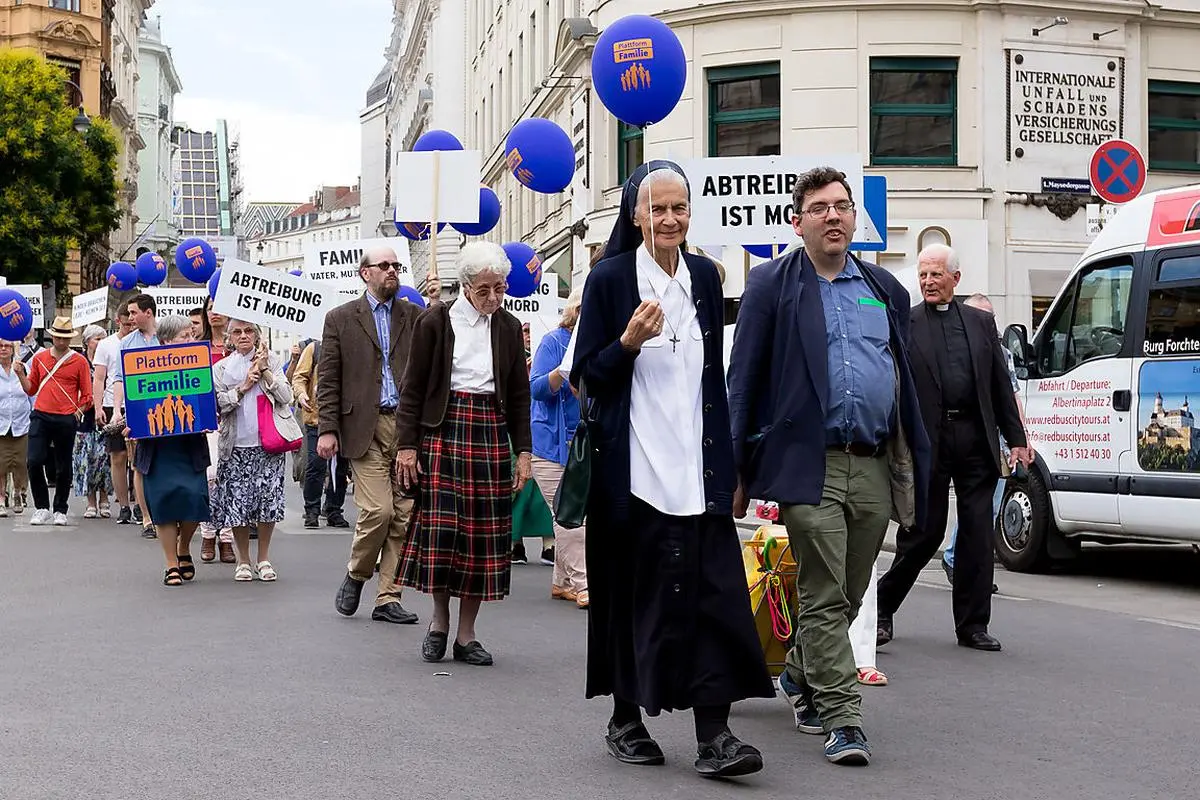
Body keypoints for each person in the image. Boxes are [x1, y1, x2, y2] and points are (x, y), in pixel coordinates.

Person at [572, 161, 773, 779]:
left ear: (691, 215)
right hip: (632, 475)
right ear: (635, 215)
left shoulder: (708, 280)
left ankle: (715, 734)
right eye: (656, 208)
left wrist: (731, 463)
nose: (668, 219)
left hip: (698, 471)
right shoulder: (609, 281)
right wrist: (626, 342)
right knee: (639, 602)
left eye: (679, 208)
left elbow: (715, 379)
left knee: (714, 600)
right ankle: (626, 719)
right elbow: (588, 378)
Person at [726, 166, 930, 767]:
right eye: (820, 207)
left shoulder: (885, 289)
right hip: (805, 461)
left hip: (871, 461)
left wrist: (916, 458)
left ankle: (796, 672)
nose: (835, 216)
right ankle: (843, 718)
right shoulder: (771, 285)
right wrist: (736, 469)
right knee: (822, 587)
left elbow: (902, 380)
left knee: (850, 588)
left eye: (842, 206)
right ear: (799, 221)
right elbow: (744, 382)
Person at [877, 246, 1033, 652]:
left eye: (936, 275)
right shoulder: (906, 323)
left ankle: (972, 625)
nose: (928, 282)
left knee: (978, 535)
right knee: (923, 535)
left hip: (975, 437)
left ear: (955, 279)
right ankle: (881, 608)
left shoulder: (981, 323)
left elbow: (1000, 384)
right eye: (924, 275)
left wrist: (1017, 438)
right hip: (930, 441)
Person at [393, 241, 531, 667]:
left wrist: (523, 452)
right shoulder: (435, 321)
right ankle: (438, 622)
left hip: (489, 429)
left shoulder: (508, 327)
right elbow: (413, 389)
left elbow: (520, 395)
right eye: (485, 289)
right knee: (443, 534)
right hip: (445, 428)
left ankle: (467, 635)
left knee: (481, 538)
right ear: (467, 287)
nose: (494, 297)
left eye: (500, 288)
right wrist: (407, 447)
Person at [319, 245, 421, 625]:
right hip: (363, 426)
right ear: (365, 273)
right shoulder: (341, 318)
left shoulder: (415, 315)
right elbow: (328, 379)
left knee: (404, 516)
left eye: (396, 265)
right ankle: (358, 573)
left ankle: (388, 597)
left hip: (408, 426)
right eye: (384, 266)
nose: (392, 271)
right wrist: (327, 429)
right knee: (378, 510)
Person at [941, 292, 1029, 593]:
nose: (988, 323)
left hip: (997, 443)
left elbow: (1011, 395)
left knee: (987, 508)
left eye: (991, 317)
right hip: (964, 438)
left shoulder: (1002, 352)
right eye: (983, 316)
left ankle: (968, 567)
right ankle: (956, 559)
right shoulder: (954, 347)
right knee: (973, 507)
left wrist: (1020, 439)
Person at [130, 315, 212, 586]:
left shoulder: (201, 362)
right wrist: (131, 424)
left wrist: (210, 417)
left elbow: (208, 400)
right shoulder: (142, 365)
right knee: (164, 503)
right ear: (165, 341)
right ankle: (170, 563)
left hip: (189, 445)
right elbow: (136, 402)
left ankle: (184, 546)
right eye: (184, 336)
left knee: (194, 499)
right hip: (158, 447)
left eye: (191, 335)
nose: (190, 340)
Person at [211, 320, 292, 582]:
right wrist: (244, 386)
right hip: (235, 445)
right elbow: (219, 404)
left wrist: (265, 371)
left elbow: (286, 396)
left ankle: (264, 558)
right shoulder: (221, 368)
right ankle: (243, 559)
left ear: (257, 335)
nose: (243, 336)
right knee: (238, 504)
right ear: (229, 337)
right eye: (237, 331)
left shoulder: (274, 360)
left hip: (267, 443)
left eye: (248, 331)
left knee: (267, 502)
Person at [529, 287, 588, 608]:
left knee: (575, 512)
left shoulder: (600, 339)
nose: (584, 315)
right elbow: (537, 388)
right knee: (569, 514)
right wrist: (561, 374)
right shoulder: (555, 341)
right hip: (551, 445)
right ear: (571, 312)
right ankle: (583, 582)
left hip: (585, 443)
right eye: (580, 309)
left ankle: (562, 581)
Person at [24, 316, 94, 526]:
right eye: (58, 337)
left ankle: (60, 508)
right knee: (34, 460)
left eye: (65, 338)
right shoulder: (40, 358)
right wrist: (21, 375)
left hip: (66, 416)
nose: (61, 342)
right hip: (41, 413)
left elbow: (87, 395)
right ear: (52, 336)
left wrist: (78, 411)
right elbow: (31, 388)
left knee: (63, 465)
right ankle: (42, 507)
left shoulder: (79, 361)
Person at [112, 294, 161, 538]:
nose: (130, 318)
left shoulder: (166, 338)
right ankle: (146, 517)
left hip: (166, 409)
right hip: (139, 411)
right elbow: (120, 378)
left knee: (163, 461)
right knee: (140, 464)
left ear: (148, 312)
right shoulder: (127, 344)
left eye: (133, 313)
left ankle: (163, 511)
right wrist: (117, 410)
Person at [291, 338, 349, 529]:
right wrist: (301, 394)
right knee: (316, 465)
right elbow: (299, 376)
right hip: (317, 417)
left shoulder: (352, 343)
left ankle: (333, 509)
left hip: (346, 417)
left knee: (340, 467)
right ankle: (312, 511)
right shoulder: (315, 348)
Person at [197, 296, 235, 563]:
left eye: (220, 309)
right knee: (210, 478)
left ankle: (228, 538)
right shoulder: (196, 348)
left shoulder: (240, 347)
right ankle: (209, 533)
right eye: (210, 309)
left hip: (234, 420)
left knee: (231, 480)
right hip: (207, 421)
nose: (215, 314)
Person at [92, 307, 135, 524]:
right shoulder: (107, 345)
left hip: (138, 403)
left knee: (137, 459)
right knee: (117, 457)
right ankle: (124, 505)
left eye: (133, 324)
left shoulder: (145, 340)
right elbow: (99, 378)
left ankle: (140, 505)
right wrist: (98, 407)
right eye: (127, 324)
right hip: (112, 404)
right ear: (118, 321)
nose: (130, 328)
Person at [72, 325, 112, 518]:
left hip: (105, 412)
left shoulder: (107, 360)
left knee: (103, 459)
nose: (101, 342)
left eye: (104, 338)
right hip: (84, 416)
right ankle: (90, 502)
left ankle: (104, 499)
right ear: (87, 341)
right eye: (97, 338)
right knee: (86, 459)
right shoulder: (80, 361)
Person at [0, 339, 32, 517]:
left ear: (13, 349)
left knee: (20, 463)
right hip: (1, 424)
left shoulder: (23, 368)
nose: (3, 349)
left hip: (21, 423)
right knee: (0, 464)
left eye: (7, 346)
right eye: (0, 346)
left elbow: (31, 392)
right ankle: (1, 499)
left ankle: (18, 493)